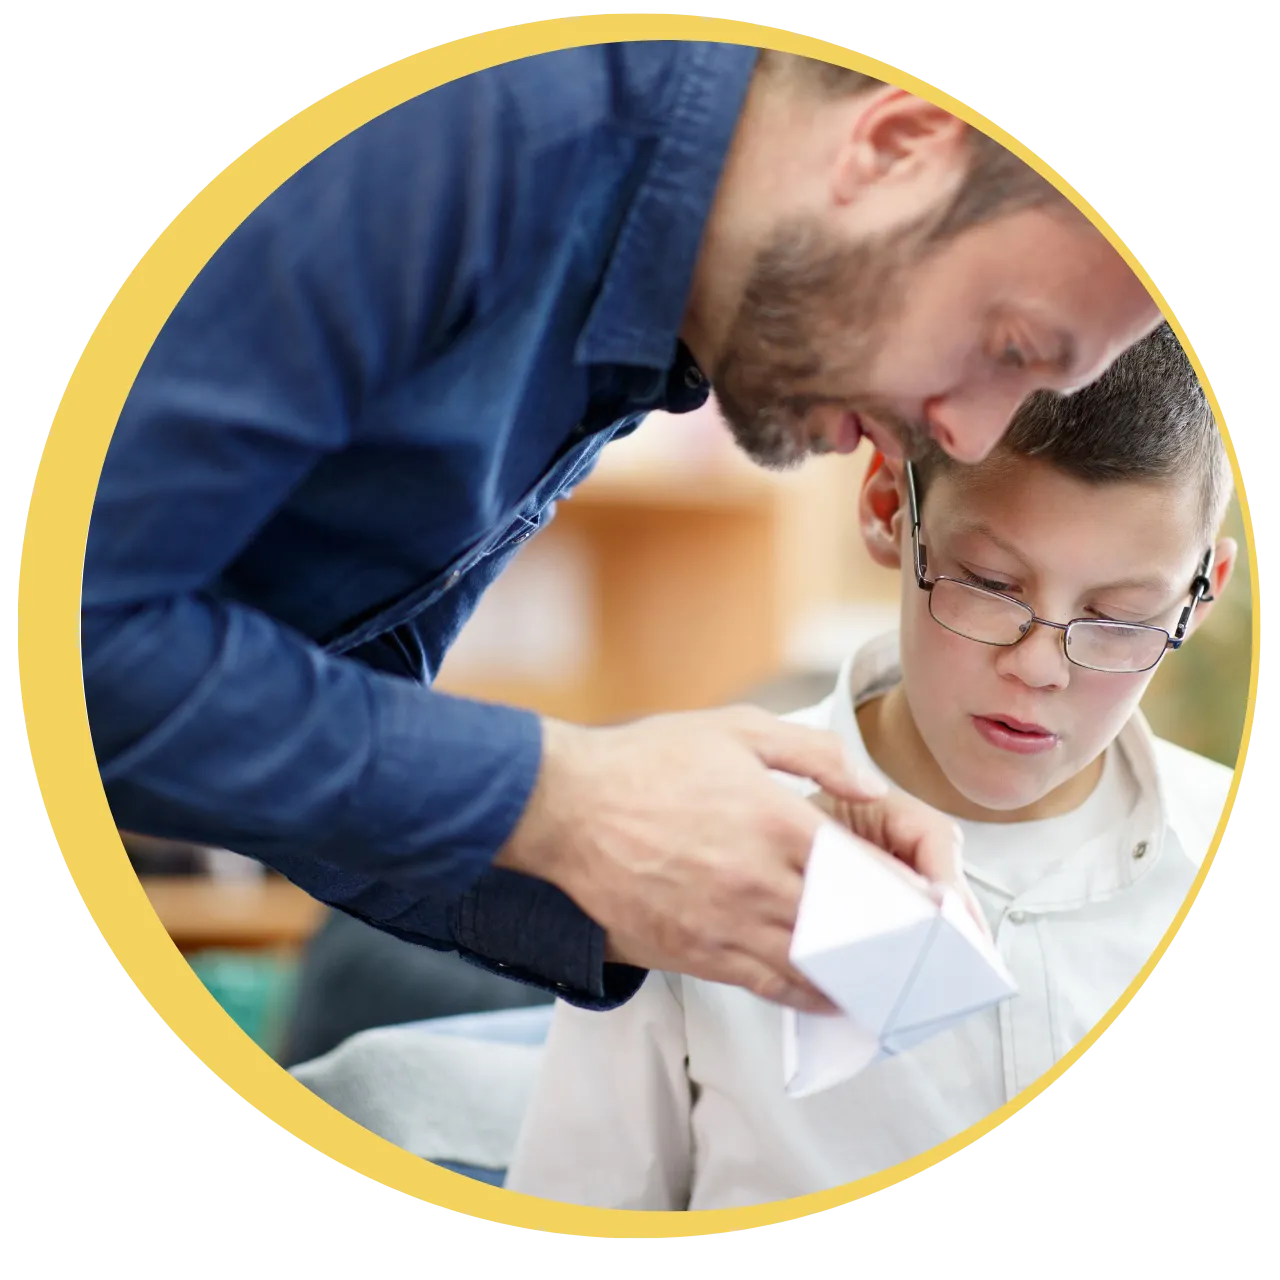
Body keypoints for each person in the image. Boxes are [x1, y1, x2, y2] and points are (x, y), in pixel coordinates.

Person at [81, 41, 1160, 1020]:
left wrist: (645, 864)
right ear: (891, 146)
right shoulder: (472, 125)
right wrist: (557, 796)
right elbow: (71, 627)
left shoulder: (639, 322)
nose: (967, 439)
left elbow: (304, 704)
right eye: (1007, 345)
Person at [503, 324, 1238, 1209]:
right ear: (891, 510)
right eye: (993, 584)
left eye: (1121, 616)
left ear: (1202, 593)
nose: (1041, 665)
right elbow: (576, 1208)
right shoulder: (690, 841)